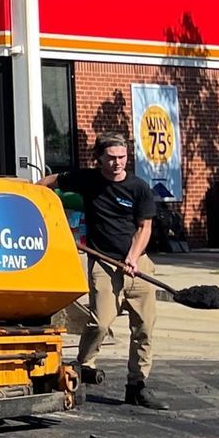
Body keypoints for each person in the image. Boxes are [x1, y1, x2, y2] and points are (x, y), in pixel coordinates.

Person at [38, 134, 164, 409]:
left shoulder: (138, 188)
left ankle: (137, 385)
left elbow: (145, 228)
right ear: (99, 159)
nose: (117, 163)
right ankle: (83, 367)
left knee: (144, 328)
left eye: (122, 157)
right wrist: (34, 197)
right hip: (105, 264)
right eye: (111, 158)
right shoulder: (88, 180)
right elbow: (51, 181)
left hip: (138, 263)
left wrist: (132, 257)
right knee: (102, 323)